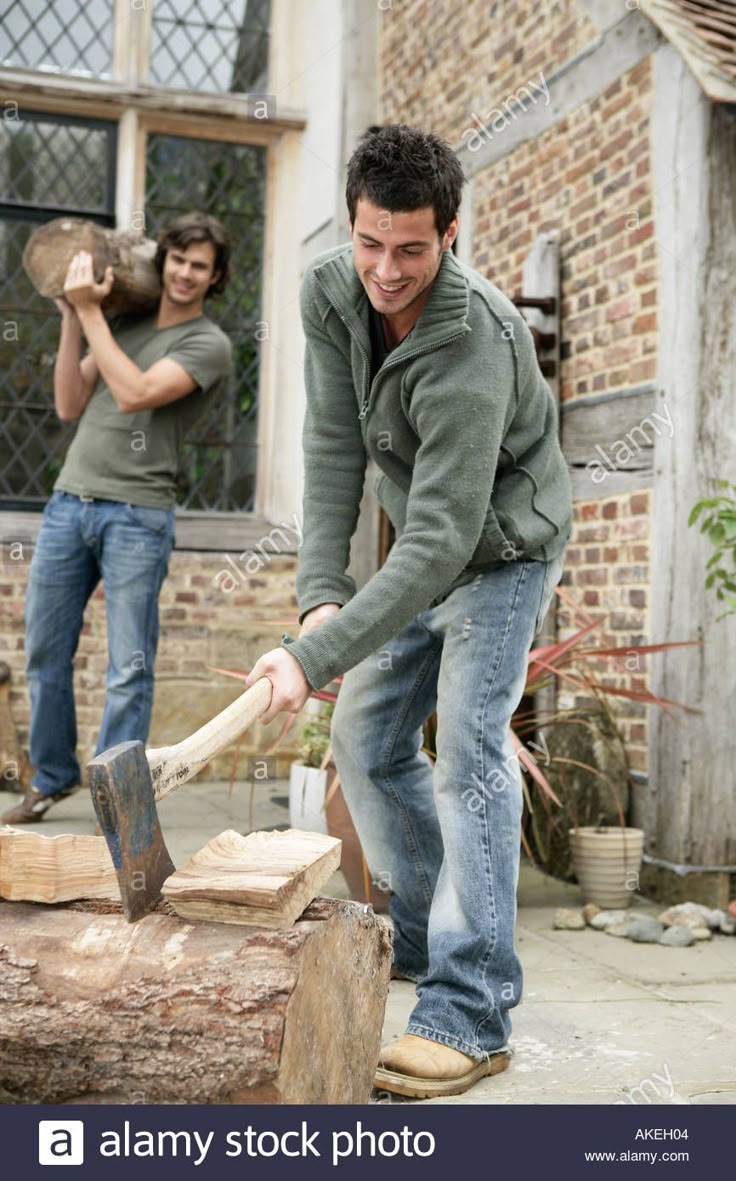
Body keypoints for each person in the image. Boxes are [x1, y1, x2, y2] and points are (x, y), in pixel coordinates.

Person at [246, 124, 572, 1098]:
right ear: (352, 225)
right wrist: (318, 597)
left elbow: (439, 542)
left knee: (471, 746)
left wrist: (310, 655)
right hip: (428, 548)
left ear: (451, 235)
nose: (386, 271)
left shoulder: (473, 337)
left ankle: (473, 1008)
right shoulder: (330, 293)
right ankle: (427, 940)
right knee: (367, 733)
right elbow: (334, 449)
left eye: (412, 250)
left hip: (502, 546)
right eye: (370, 243)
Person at [4, 212, 232, 825]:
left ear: (215, 278)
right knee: (45, 651)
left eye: (200, 265)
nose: (186, 272)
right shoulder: (122, 322)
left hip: (138, 515)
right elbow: (67, 402)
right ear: (164, 262)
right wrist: (72, 318)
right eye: (179, 259)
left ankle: (117, 797)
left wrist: (90, 314)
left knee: (128, 665)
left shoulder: (207, 344)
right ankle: (52, 778)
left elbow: (134, 392)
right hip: (67, 502)